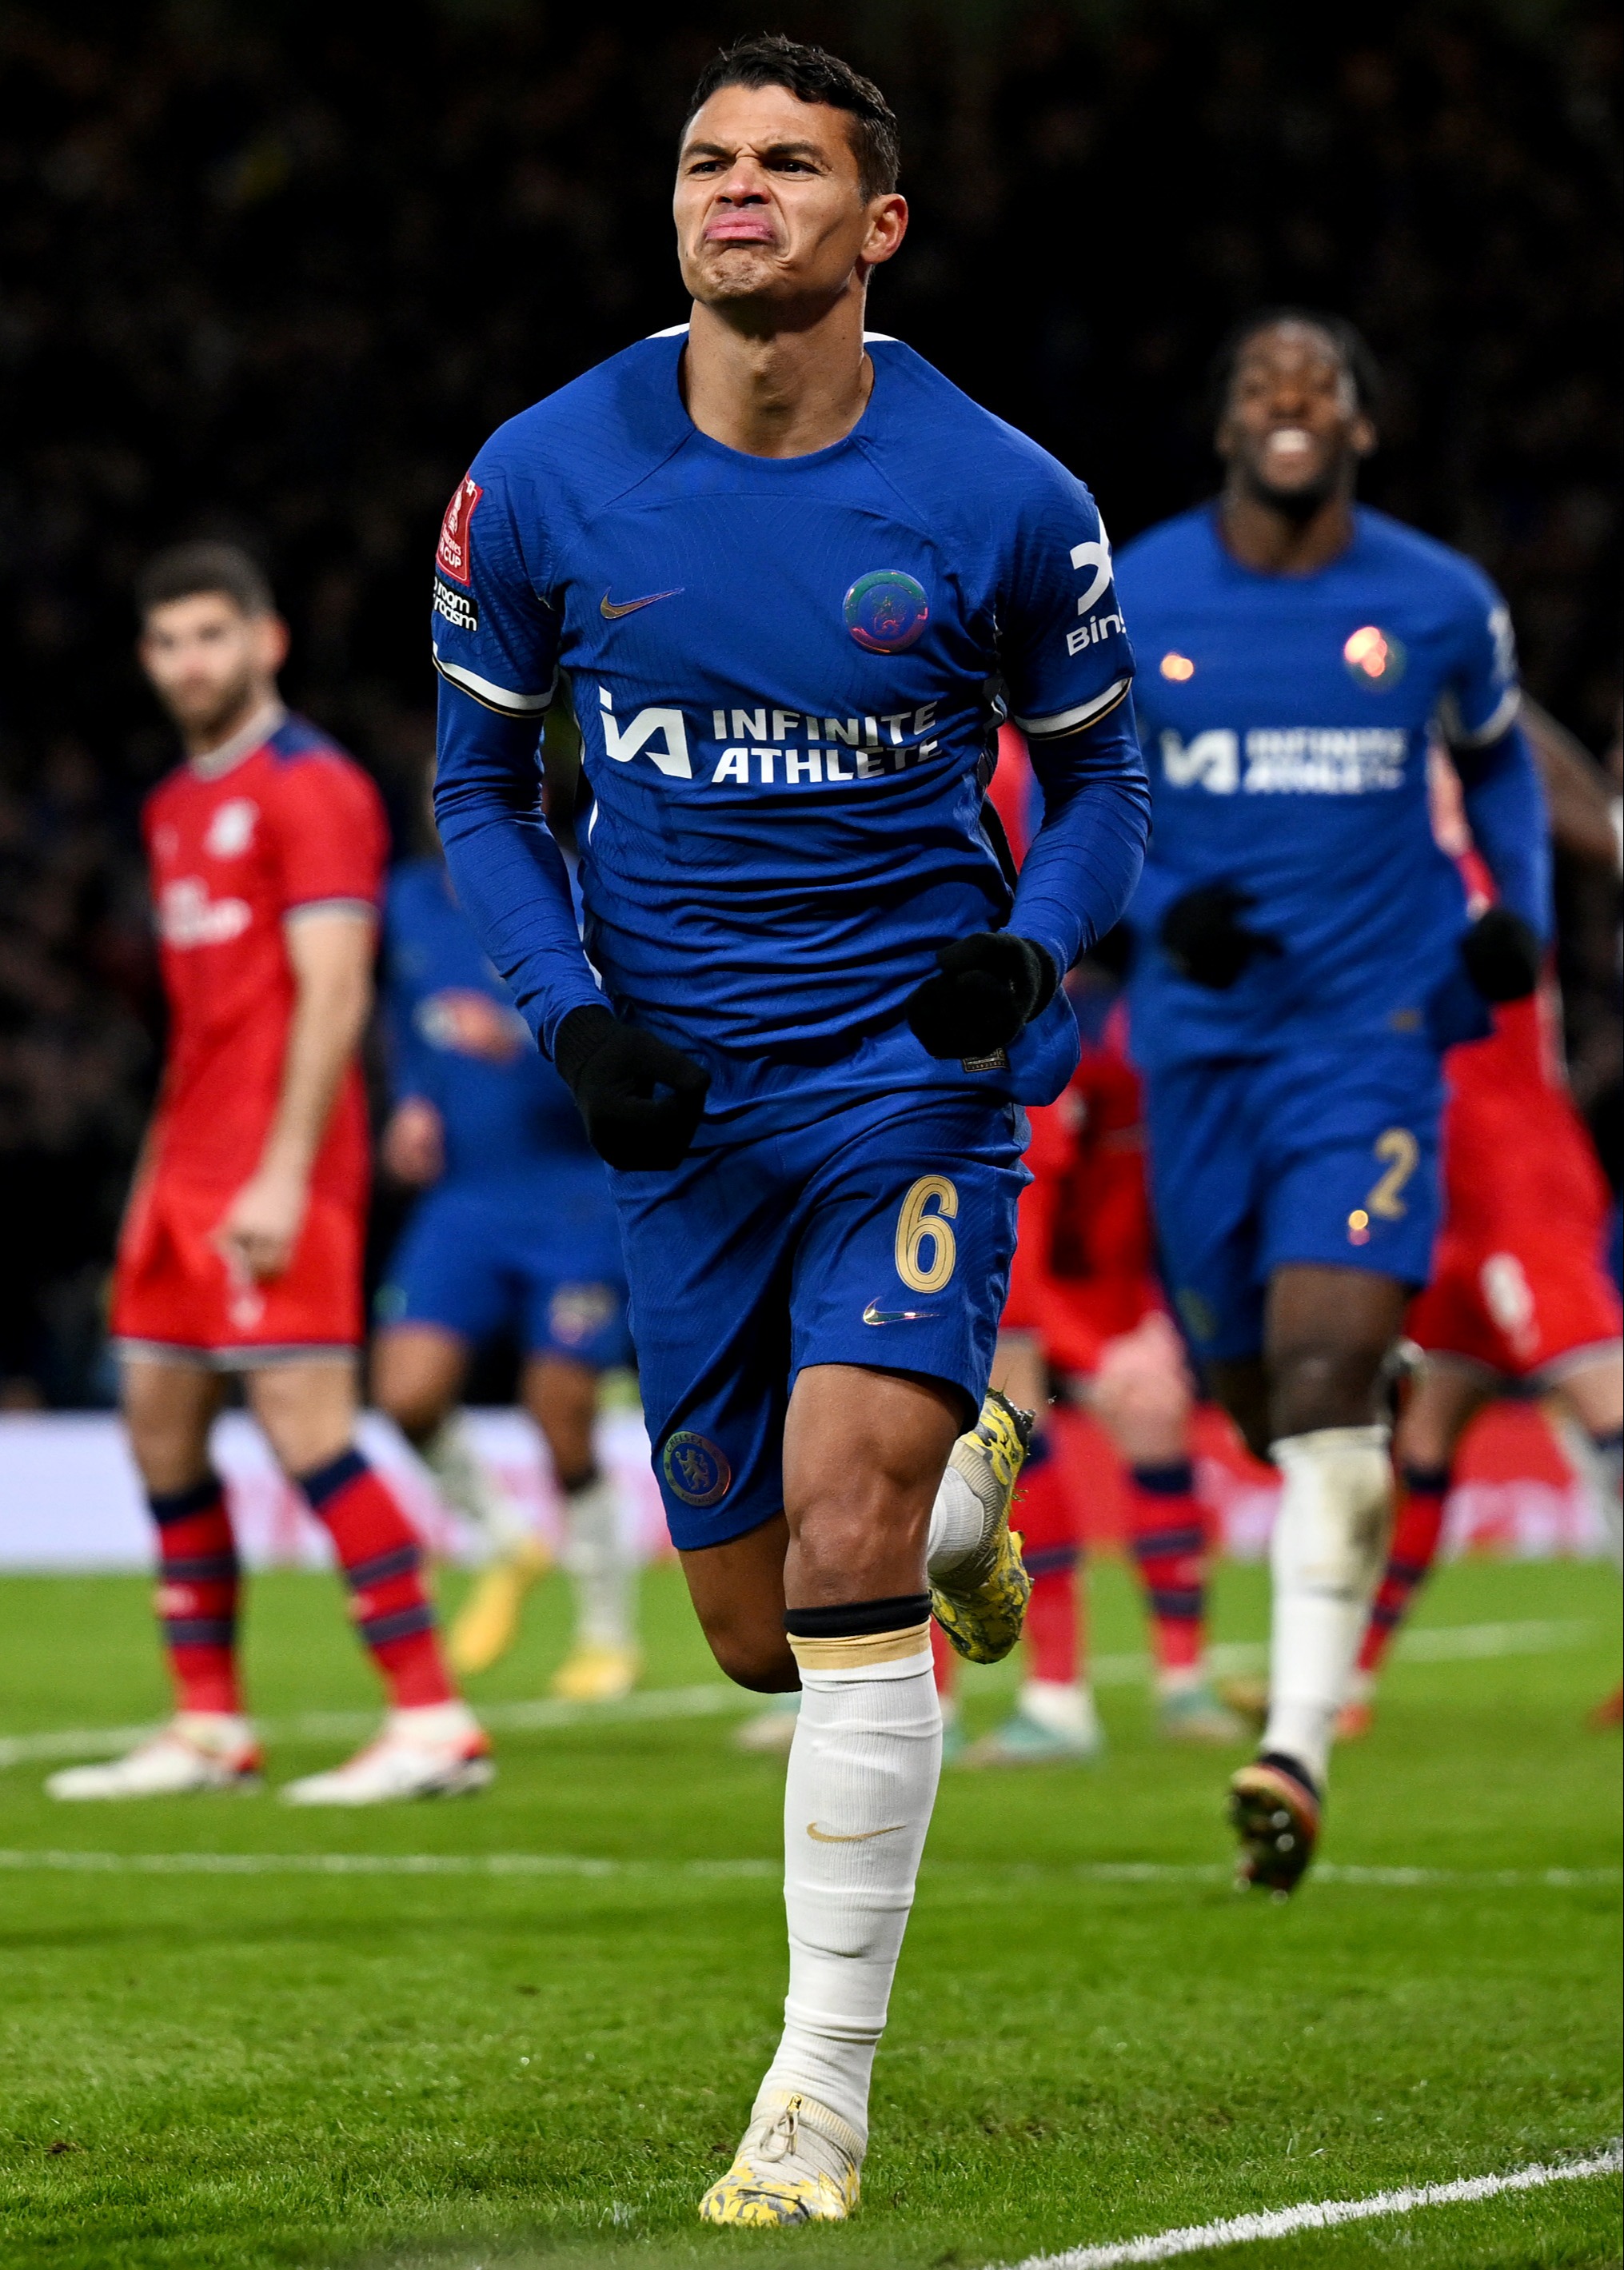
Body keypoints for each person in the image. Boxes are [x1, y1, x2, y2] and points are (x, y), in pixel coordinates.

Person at [429, 34, 1149, 2224]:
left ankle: (811, 2092)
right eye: (705, 161)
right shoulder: (539, 478)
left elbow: (1103, 782)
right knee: (756, 1626)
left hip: (902, 1092)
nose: (736, 191)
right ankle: (964, 1481)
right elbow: (477, 793)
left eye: (786, 164)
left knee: (837, 1551)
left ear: (876, 225)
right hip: (674, 1112)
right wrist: (567, 1022)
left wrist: (1021, 963)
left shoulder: (1001, 497)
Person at [1114, 311, 1550, 1893]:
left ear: (1357, 426)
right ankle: (1357, 1392)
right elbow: (1082, 788)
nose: (1288, 404)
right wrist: (1154, 910)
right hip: (1199, 1048)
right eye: (1259, 384)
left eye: (1319, 386)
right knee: (1256, 1395)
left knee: (1322, 1376)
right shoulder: (1136, 591)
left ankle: (1292, 1743)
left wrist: (1516, 922)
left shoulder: (1436, 602)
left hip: (1367, 1035)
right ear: (1225, 422)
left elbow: (1497, 765)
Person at [48, 544, 489, 1807]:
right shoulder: (176, 806)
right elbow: (201, 1022)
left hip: (279, 1159)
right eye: (169, 641)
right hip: (184, 1163)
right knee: (159, 1425)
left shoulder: (313, 788)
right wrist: (153, 1176)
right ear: (148, 659)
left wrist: (286, 1172)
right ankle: (207, 1724)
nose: (192, 661)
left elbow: (337, 989)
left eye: (212, 635)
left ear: (267, 639)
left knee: (306, 1426)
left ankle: (431, 1717)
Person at [1343, 746, 1622, 1734]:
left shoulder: (1499, 873)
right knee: (1424, 1437)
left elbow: (1586, 813)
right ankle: (1350, 1684)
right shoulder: (1390, 872)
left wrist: (1493, 683)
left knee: (1605, 1399)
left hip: (1517, 1176)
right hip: (1443, 1185)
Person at [372, 828, 640, 1696]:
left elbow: (635, 1048)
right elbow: (408, 1017)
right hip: (466, 1198)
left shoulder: (587, 897)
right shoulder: (411, 898)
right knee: (405, 1391)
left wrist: (522, 1046)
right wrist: (414, 1102)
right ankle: (505, 1538)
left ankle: (608, 1633)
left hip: (573, 1199)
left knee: (558, 1411)